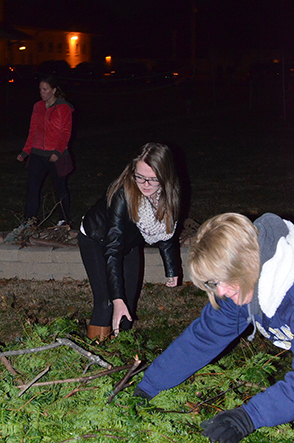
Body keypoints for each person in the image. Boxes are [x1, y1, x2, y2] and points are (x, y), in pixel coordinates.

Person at [134, 212, 294, 443]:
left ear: (246, 263)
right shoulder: (244, 279)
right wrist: (149, 386)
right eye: (214, 283)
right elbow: (204, 337)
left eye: (223, 281)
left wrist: (250, 417)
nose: (221, 292)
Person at [78, 142, 181, 341]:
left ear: (166, 177)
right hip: (98, 239)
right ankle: (97, 353)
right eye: (140, 177)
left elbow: (166, 231)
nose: (145, 185)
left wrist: (172, 268)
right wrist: (117, 299)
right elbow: (113, 247)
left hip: (130, 242)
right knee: (108, 301)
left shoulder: (170, 193)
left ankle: (122, 349)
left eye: (153, 179)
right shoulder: (123, 193)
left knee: (129, 302)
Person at [17, 76, 74, 225]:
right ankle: (30, 221)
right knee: (32, 188)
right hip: (37, 154)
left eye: (45, 89)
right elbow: (33, 131)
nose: (42, 92)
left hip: (56, 156)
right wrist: (25, 151)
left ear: (54, 90)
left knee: (60, 189)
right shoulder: (37, 107)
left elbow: (65, 132)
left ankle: (63, 221)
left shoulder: (63, 108)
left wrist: (57, 152)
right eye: (40, 89)